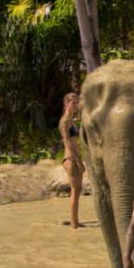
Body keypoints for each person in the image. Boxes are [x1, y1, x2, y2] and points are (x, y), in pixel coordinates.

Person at [58, 92, 85, 229]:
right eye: (73, 103)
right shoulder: (64, 122)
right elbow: (68, 142)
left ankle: (75, 220)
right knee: (75, 190)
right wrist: (77, 160)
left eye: (77, 103)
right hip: (70, 158)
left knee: (78, 190)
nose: (75, 106)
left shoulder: (72, 121)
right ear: (66, 103)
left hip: (75, 157)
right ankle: (74, 223)